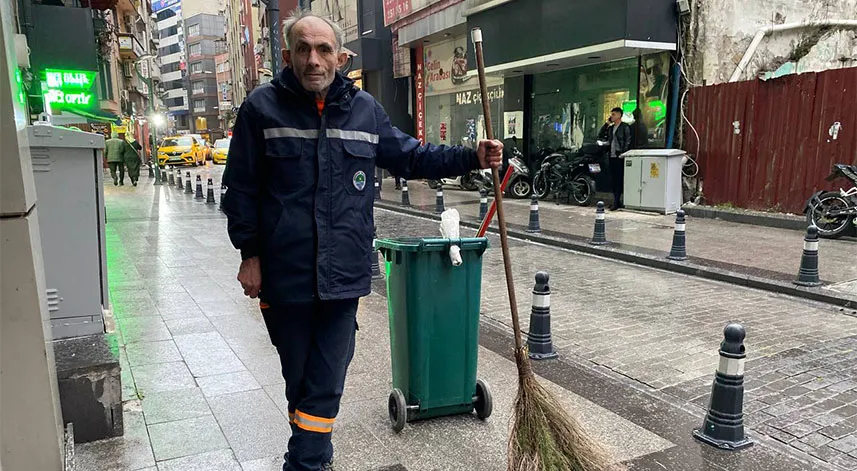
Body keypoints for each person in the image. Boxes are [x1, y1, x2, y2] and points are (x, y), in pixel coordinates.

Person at [221, 10, 502, 471]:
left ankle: (307, 464)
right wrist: (249, 254)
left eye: (323, 49)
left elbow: (413, 157)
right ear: (289, 55)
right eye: (303, 49)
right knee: (302, 383)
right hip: (283, 276)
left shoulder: (365, 109)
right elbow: (242, 188)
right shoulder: (260, 108)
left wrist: (471, 156)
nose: (314, 59)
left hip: (345, 276)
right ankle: (313, 456)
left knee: (326, 382)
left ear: (340, 56)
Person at [607, 107, 631, 210]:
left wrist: (623, 153)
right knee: (613, 179)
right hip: (611, 155)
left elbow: (628, 141)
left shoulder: (624, 127)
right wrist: (606, 123)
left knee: (619, 179)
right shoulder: (611, 128)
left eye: (613, 114)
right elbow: (601, 135)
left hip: (619, 156)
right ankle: (616, 200)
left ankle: (617, 201)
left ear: (619, 115)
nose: (611, 116)